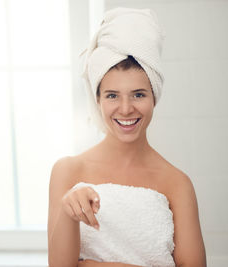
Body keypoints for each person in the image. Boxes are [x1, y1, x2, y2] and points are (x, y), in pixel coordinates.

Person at [47, 7, 206, 267]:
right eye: (112, 95)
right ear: (97, 99)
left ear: (154, 97)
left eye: (139, 94)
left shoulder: (177, 184)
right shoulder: (68, 171)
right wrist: (69, 212)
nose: (125, 108)